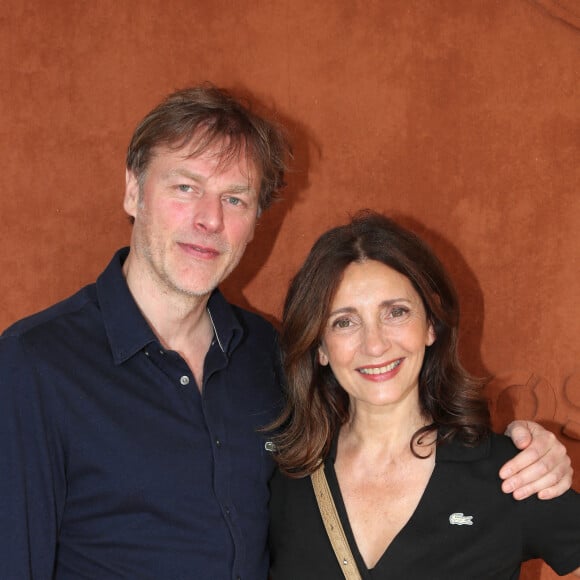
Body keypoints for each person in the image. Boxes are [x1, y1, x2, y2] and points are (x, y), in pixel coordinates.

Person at [0, 88, 572, 580]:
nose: (209, 218)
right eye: (184, 187)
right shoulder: (35, 367)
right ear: (132, 191)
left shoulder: (269, 358)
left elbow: (385, 425)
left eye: (234, 198)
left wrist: (533, 451)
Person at [268, 211, 579, 579]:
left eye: (396, 312)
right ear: (320, 346)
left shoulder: (510, 473)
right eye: (345, 322)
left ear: (431, 325)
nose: (375, 344)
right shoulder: (286, 479)